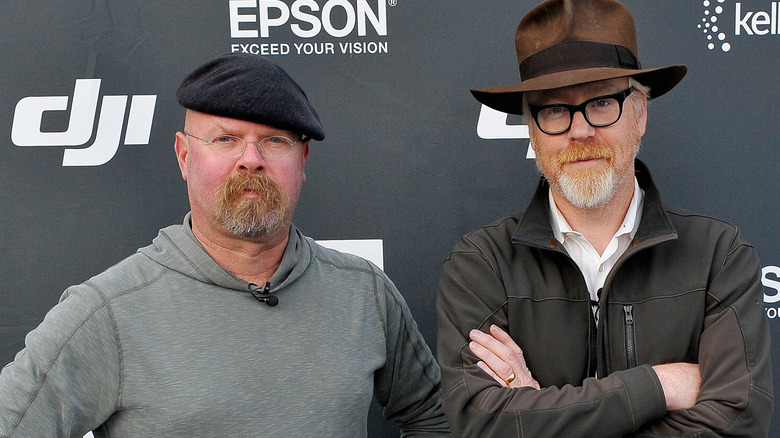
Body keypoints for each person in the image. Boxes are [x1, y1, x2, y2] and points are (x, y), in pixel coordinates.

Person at [0, 53, 450, 437]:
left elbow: (435, 418)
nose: (250, 160)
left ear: (303, 159)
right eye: (225, 139)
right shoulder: (106, 313)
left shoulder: (363, 292)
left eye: (274, 140)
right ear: (184, 155)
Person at [436, 0, 773, 436]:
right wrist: (658, 385)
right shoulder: (482, 264)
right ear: (533, 133)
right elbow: (482, 425)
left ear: (641, 114)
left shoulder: (718, 256)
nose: (580, 130)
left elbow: (737, 424)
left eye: (601, 102)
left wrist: (537, 414)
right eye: (554, 109)